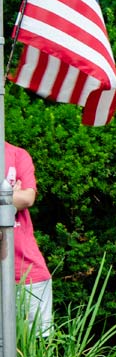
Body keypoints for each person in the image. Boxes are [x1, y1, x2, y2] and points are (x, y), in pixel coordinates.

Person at [6, 141, 53, 336]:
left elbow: (27, 199)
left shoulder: (18, 155)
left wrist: (16, 197)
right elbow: (19, 198)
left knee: (35, 356)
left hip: (27, 275)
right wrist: (10, 195)